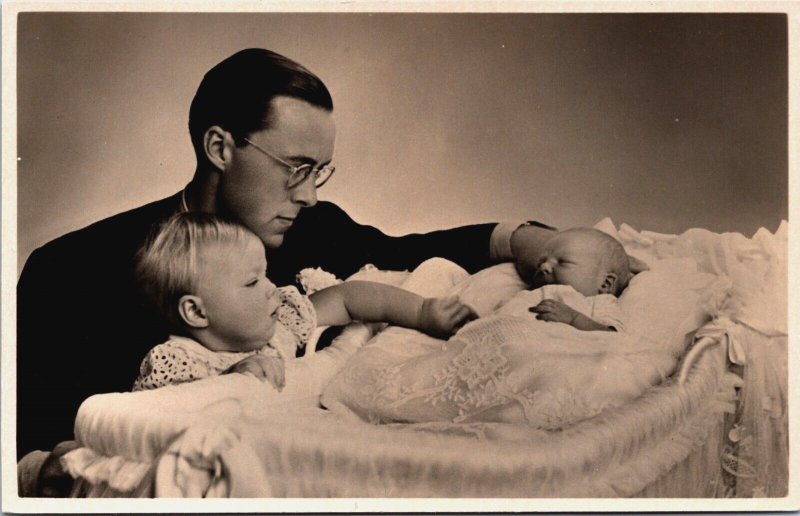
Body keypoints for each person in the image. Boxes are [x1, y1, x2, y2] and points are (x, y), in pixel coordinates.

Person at [16, 47, 570, 494]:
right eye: (296, 168)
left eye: (319, 171)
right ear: (219, 147)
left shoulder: (313, 228)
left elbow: (406, 248)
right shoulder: (72, 271)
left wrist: (531, 239)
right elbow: (27, 442)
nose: (307, 195)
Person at [321, 228, 649, 429]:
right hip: (497, 352)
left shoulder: (595, 303)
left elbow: (612, 340)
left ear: (605, 282)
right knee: (435, 374)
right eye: (543, 261)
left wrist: (575, 319)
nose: (545, 266)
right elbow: (498, 324)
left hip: (546, 355)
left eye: (563, 263)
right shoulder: (525, 294)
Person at [131, 213, 473, 391]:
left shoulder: (278, 325)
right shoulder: (175, 363)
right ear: (196, 311)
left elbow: (348, 298)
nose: (272, 289)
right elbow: (161, 424)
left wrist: (423, 311)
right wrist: (232, 378)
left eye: (265, 275)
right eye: (252, 282)